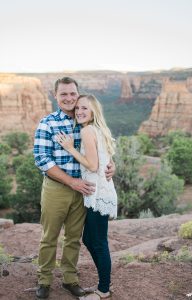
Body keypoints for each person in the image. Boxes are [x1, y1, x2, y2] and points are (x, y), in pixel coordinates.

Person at [33, 77, 115, 299]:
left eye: (72, 94)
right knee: (49, 236)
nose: (69, 98)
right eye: (63, 94)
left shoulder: (85, 122)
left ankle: (70, 279)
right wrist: (71, 182)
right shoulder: (48, 123)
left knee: (73, 238)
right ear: (55, 96)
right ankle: (44, 279)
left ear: (78, 95)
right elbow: (41, 159)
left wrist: (111, 165)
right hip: (57, 188)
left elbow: (100, 150)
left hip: (83, 190)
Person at [56, 94, 117, 299]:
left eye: (85, 109)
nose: (80, 112)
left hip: (98, 193)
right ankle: (103, 283)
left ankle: (103, 290)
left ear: (93, 112)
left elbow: (92, 165)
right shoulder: (98, 129)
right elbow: (106, 158)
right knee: (90, 239)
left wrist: (70, 147)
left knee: (98, 242)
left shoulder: (88, 130)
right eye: (78, 108)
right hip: (98, 191)